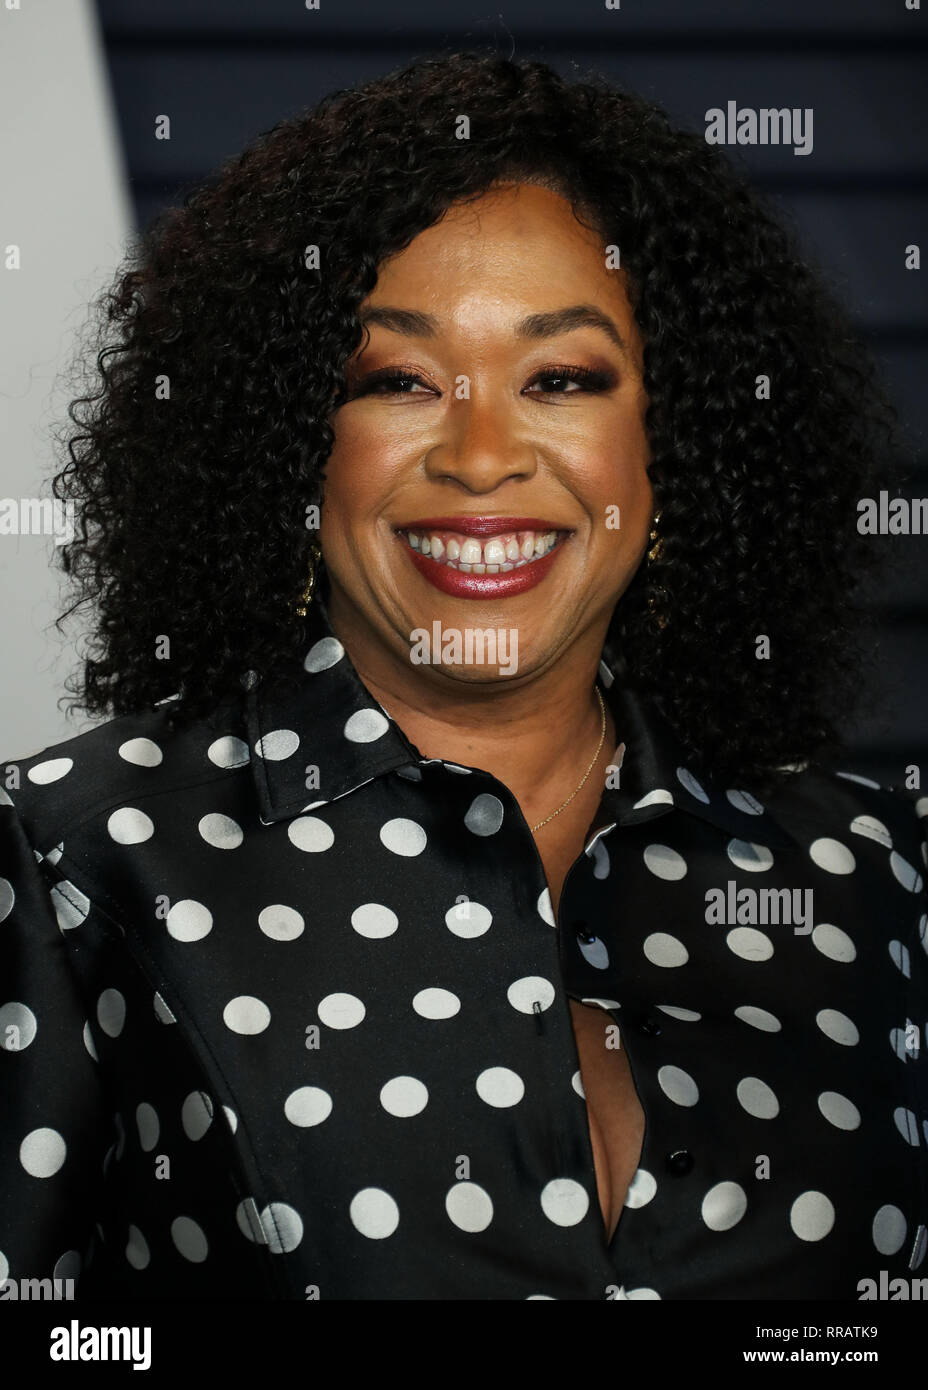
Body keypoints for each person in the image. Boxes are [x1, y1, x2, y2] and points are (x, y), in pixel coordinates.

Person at [1, 51, 925, 1302]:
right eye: (398, 380)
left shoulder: (877, 874)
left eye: (560, 378)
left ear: (670, 448)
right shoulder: (69, 862)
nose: (483, 456)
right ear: (290, 446)